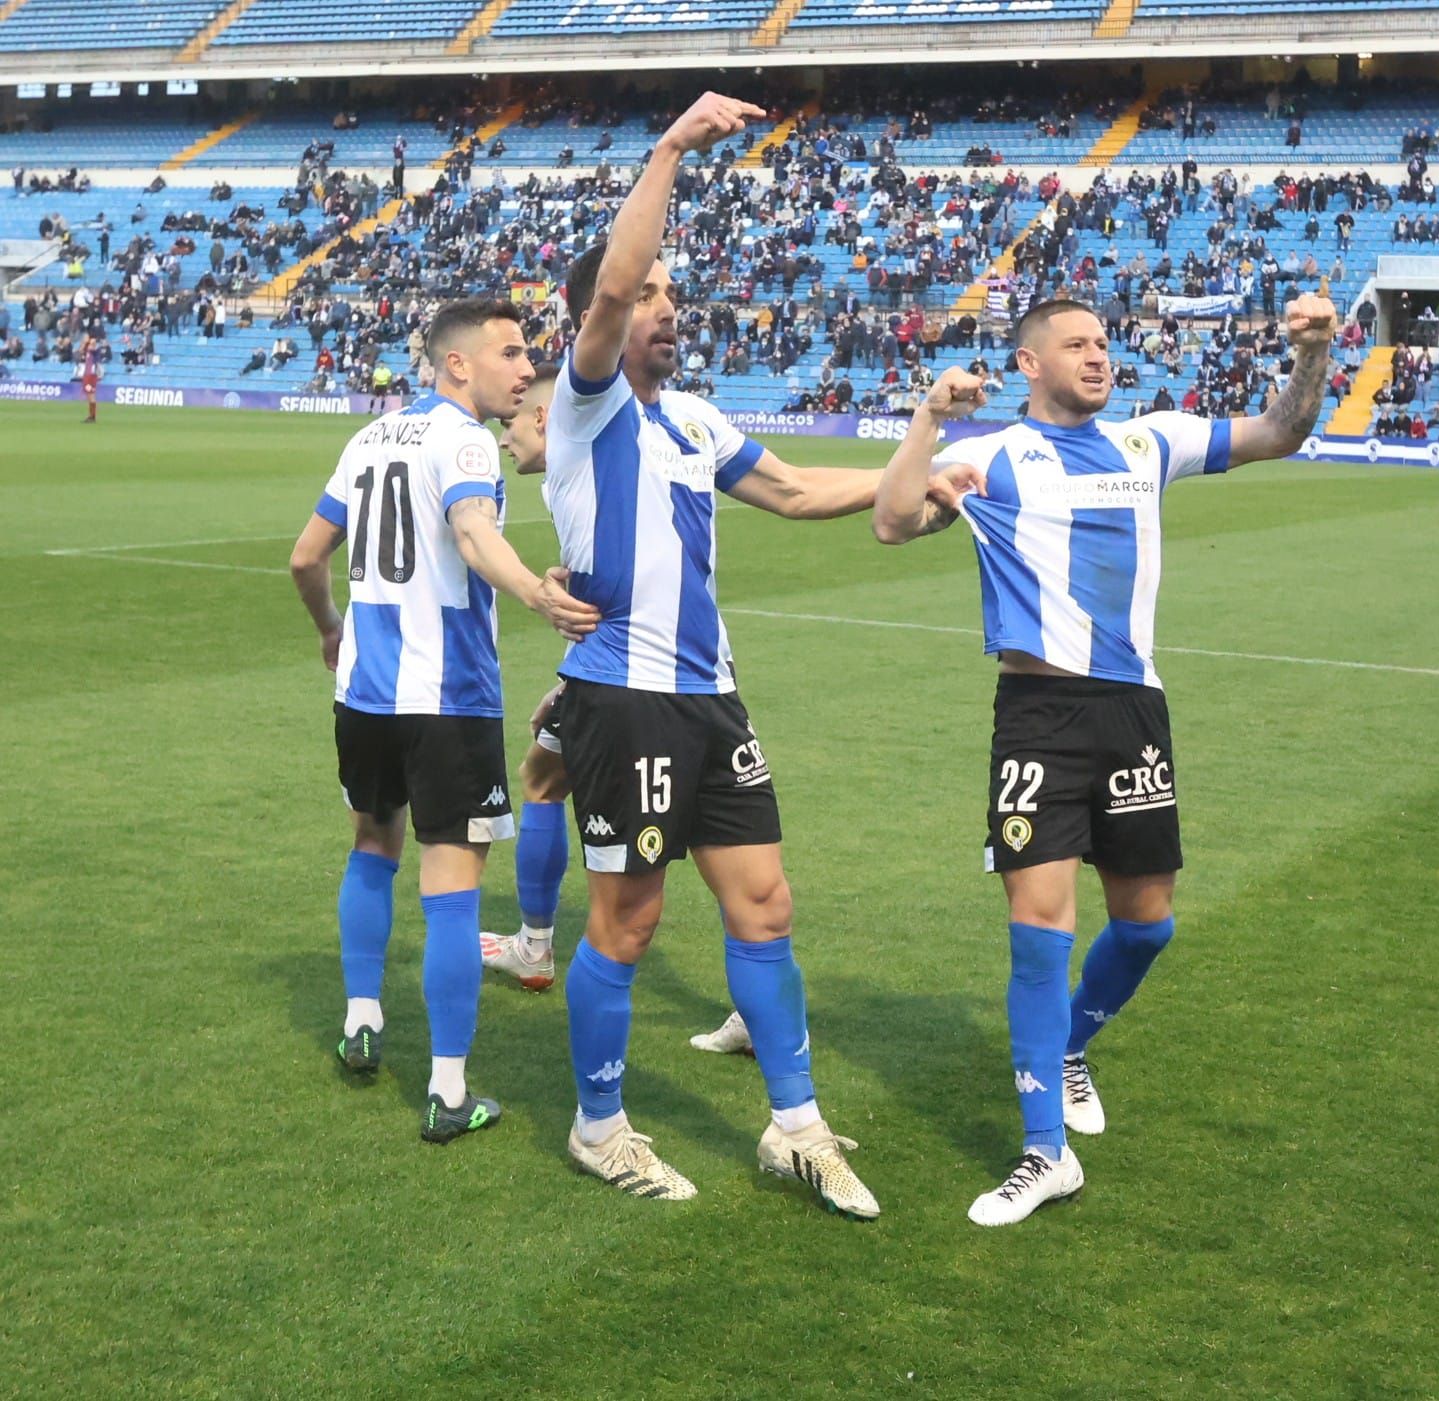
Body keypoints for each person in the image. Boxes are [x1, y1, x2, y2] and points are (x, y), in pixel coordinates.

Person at [543, 93, 976, 1215]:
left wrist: (913, 486)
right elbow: (607, 283)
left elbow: (790, 490)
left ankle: (794, 1127)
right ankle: (599, 1126)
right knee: (629, 921)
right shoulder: (584, 406)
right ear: (606, 312)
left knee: (766, 904)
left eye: (674, 296)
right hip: (623, 702)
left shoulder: (690, 417)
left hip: (710, 701)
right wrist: (672, 149)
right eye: (650, 296)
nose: (666, 310)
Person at [871, 291, 1336, 1227]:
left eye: (1102, 342)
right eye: (1076, 344)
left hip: (1134, 709)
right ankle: (1044, 1153)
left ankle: (1072, 1045)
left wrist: (1315, 352)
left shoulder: (1148, 442)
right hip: (1037, 714)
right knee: (1038, 926)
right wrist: (928, 418)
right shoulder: (992, 457)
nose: (1098, 355)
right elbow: (891, 521)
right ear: (1030, 364)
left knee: (1148, 924)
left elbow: (1283, 431)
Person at [286, 298, 599, 1143]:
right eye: (510, 352)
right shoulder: (462, 438)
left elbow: (305, 557)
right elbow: (471, 530)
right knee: (453, 892)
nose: (525, 367)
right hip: (447, 698)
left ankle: (361, 1018)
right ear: (457, 364)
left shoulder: (367, 439)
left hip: (364, 694)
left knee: (372, 845)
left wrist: (329, 630)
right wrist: (535, 590)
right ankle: (450, 1093)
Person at [477, 365, 761, 1057]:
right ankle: (538, 944)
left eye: (511, 422)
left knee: (703, 860)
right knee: (548, 770)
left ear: (547, 417)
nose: (504, 436)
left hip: (654, 675)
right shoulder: (584, 458)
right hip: (651, 667)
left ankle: (538, 945)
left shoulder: (599, 427)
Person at [78, 332, 102, 423]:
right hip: (87, 374)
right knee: (89, 394)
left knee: (91, 394)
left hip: (91, 375)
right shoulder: (86, 348)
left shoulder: (93, 347)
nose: (84, 338)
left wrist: (91, 342)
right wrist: (84, 343)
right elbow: (80, 351)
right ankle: (91, 416)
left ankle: (92, 417)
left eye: (85, 337)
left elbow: (94, 346)